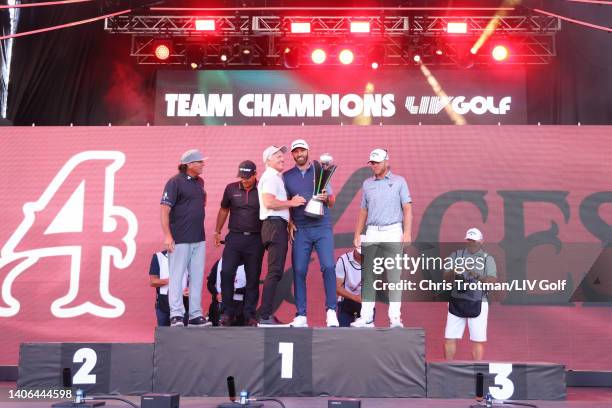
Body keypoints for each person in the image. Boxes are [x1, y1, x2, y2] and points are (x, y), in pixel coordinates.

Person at [352, 148, 412, 328]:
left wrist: (407, 232)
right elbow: (363, 210)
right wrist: (357, 233)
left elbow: (407, 207)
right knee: (369, 276)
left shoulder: (399, 181)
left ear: (386, 161)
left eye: (377, 162)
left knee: (394, 276)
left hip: (393, 230)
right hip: (372, 232)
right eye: (372, 162)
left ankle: (395, 318)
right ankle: (366, 317)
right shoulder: (367, 184)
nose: (374, 166)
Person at [284, 139, 338, 327]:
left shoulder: (320, 170)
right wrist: (289, 221)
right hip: (301, 228)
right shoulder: (287, 176)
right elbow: (285, 202)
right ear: (292, 154)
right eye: (295, 151)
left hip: (322, 226)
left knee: (329, 267)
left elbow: (331, 201)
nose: (299, 154)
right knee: (299, 270)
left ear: (308, 151)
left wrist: (326, 197)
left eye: (302, 150)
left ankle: (331, 311)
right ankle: (301, 315)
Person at [257, 145, 306, 326]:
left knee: (274, 272)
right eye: (277, 156)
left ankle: (266, 314)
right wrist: (292, 203)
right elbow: (269, 202)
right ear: (268, 160)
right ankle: (265, 316)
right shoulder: (270, 177)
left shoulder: (275, 177)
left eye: (282, 156)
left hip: (277, 224)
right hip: (274, 225)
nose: (282, 158)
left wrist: (288, 219)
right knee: (275, 272)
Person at [160, 149, 209, 327]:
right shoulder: (174, 182)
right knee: (176, 277)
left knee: (197, 277)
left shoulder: (200, 182)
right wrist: (167, 236)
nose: (203, 164)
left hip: (199, 238)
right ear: (189, 165)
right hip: (179, 238)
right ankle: (177, 315)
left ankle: (195, 315)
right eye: (200, 162)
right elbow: (164, 210)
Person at [214, 160, 264, 327]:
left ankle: (249, 314)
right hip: (234, 237)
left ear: (255, 175)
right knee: (227, 273)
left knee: (253, 277)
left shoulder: (263, 189)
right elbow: (223, 209)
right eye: (241, 176)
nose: (244, 180)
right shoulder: (231, 188)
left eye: (247, 177)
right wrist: (217, 231)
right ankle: (227, 313)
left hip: (255, 239)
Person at [443, 228, 497, 360]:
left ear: (481, 241)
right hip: (457, 300)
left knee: (477, 340)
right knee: (450, 338)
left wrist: (475, 274)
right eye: (469, 240)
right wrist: (453, 271)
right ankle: (448, 369)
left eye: (475, 241)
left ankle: (477, 372)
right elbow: (445, 277)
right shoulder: (457, 255)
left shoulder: (487, 258)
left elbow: (492, 281)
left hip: (478, 301)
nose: (471, 243)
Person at [148, 250, 191, 326]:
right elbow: (153, 282)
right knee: (164, 334)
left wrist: (190, 289)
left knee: (183, 335)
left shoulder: (189, 257)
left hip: (184, 302)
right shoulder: (158, 257)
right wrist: (171, 280)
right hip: (163, 303)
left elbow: (192, 278)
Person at [206, 258, 247, 326]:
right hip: (220, 305)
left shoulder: (248, 264)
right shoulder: (219, 263)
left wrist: (234, 290)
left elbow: (251, 288)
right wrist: (216, 294)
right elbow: (210, 284)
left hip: (239, 306)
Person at [335, 244, 368, 327]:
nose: (362, 255)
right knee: (344, 334)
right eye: (360, 253)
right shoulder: (343, 260)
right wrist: (356, 298)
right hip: (346, 302)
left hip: (366, 303)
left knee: (367, 336)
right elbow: (337, 288)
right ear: (355, 248)